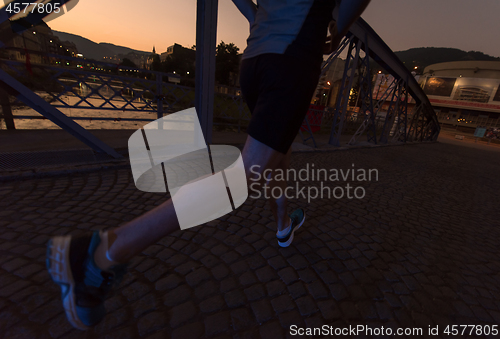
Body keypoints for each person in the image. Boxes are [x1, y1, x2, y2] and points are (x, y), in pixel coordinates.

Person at [46, 0, 371, 330]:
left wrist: (255, 15)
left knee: (276, 152)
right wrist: (337, 30)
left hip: (255, 59)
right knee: (246, 175)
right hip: (295, 55)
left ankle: (284, 224)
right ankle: (101, 252)